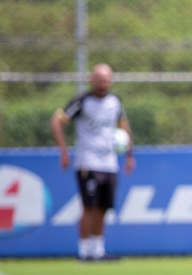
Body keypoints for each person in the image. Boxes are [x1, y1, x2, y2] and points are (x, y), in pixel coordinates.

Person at [50, 63, 135, 261]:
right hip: (88, 162)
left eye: (106, 80)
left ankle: (97, 250)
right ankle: (84, 250)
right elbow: (56, 121)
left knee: (103, 207)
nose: (103, 84)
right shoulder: (82, 102)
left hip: (109, 163)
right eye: (99, 80)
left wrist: (130, 154)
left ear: (111, 81)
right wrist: (63, 150)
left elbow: (123, 127)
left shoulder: (115, 102)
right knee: (89, 206)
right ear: (91, 80)